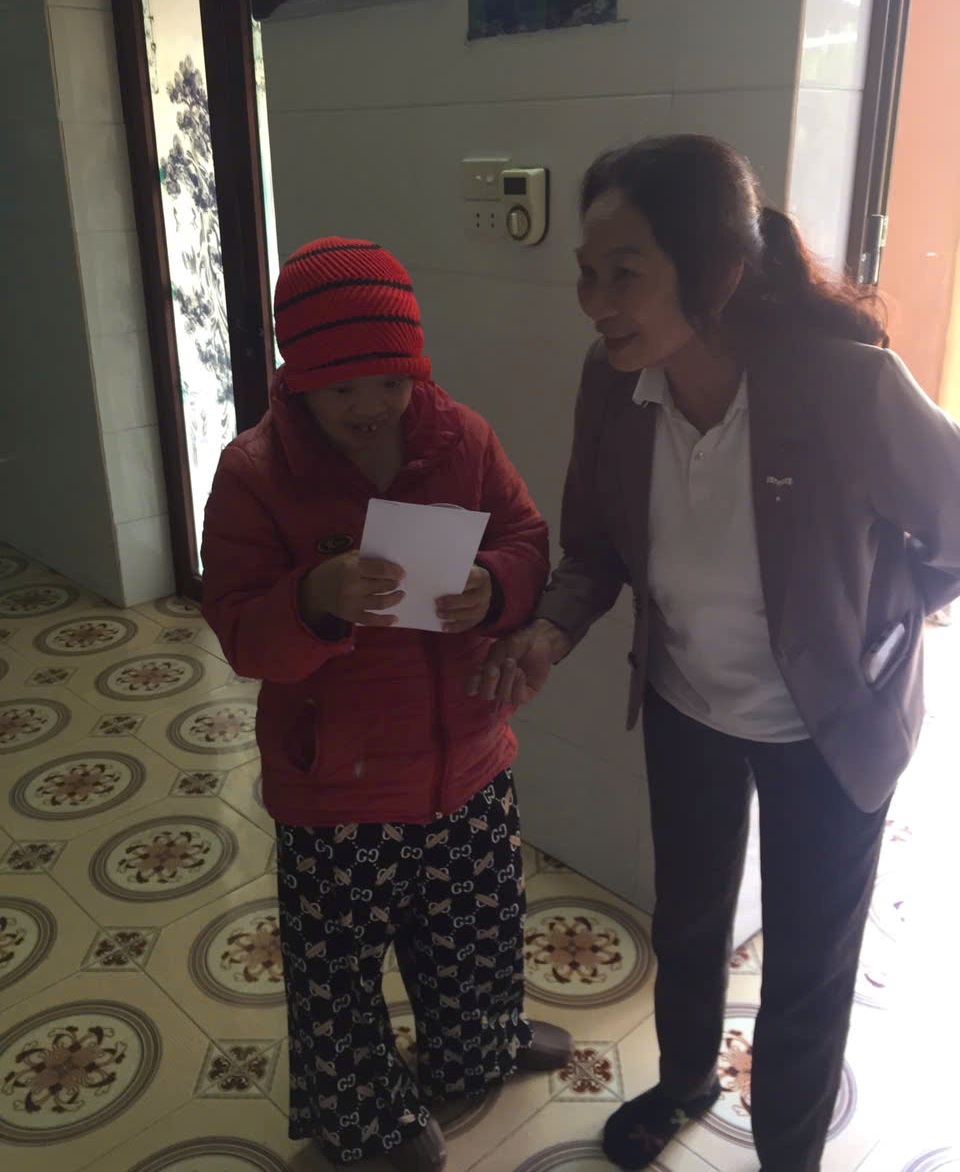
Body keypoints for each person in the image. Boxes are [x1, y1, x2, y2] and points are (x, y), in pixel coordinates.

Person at [471, 136, 960, 1172]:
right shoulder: (613, 388)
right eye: (587, 273)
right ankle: (687, 1077)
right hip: (688, 703)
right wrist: (550, 628)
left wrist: (886, 613)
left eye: (624, 273)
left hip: (831, 725)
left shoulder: (846, 388)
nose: (594, 302)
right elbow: (594, 549)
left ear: (719, 271)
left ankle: (788, 1150)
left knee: (809, 963)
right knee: (690, 923)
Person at [201, 238, 572, 1171]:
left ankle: (476, 1044)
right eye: (342, 390)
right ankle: (361, 1116)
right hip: (338, 785)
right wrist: (314, 598)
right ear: (299, 380)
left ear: (417, 368)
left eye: (390, 383)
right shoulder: (255, 473)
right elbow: (240, 630)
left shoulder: (463, 440)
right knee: (337, 971)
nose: (370, 406)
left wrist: (495, 586)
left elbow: (526, 537)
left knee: (477, 926)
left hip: (467, 756)